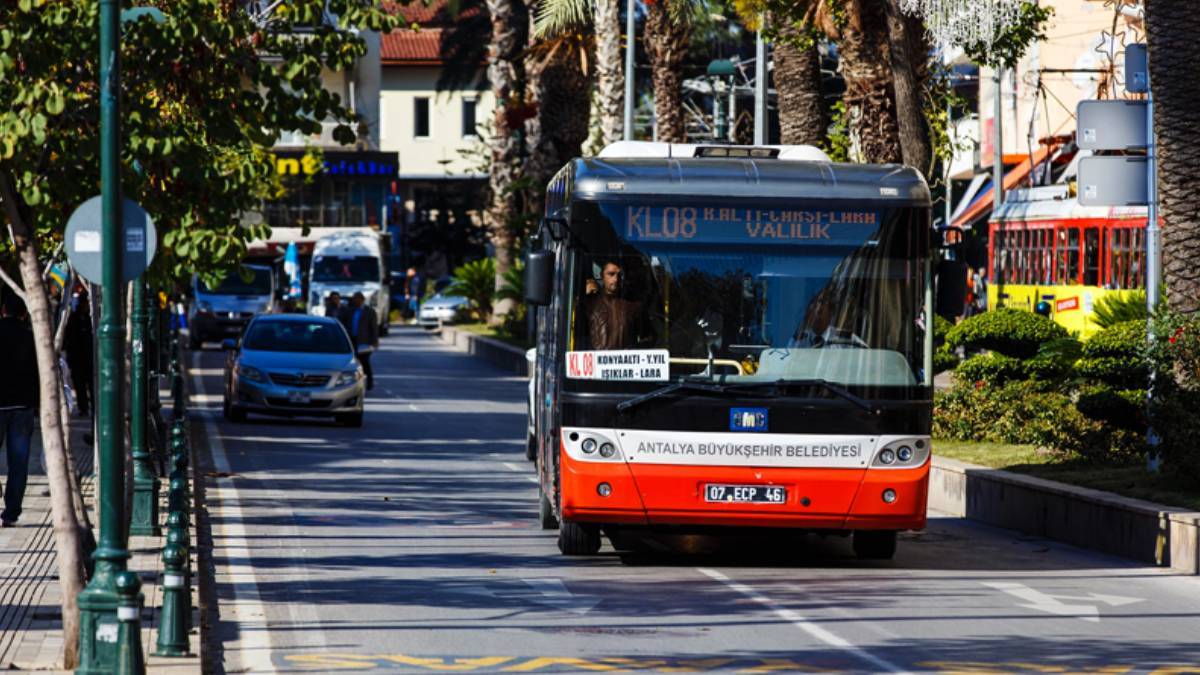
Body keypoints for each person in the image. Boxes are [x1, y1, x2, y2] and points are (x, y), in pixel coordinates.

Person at [0, 293, 39, 527]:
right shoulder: (31, 337)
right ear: (24, 314)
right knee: (18, 463)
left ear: (3, 310)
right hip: (23, 406)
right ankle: (11, 513)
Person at [580, 260, 652, 350]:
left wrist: (632, 352)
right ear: (602, 276)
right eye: (611, 274)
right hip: (597, 358)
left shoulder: (634, 306)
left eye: (620, 275)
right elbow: (578, 337)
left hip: (626, 358)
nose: (616, 279)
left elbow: (648, 337)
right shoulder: (590, 304)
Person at [64, 284, 93, 417]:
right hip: (79, 358)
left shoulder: (89, 319)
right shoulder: (75, 319)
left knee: (88, 384)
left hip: (87, 357)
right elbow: (69, 339)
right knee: (81, 384)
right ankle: (84, 407)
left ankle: (88, 406)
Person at [344, 292, 379, 390]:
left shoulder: (369, 311)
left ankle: (369, 381)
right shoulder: (350, 311)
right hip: (352, 339)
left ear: (362, 300)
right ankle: (355, 382)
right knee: (354, 362)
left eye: (358, 299)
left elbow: (374, 327)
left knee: (364, 362)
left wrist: (374, 340)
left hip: (364, 341)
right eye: (354, 299)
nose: (356, 301)